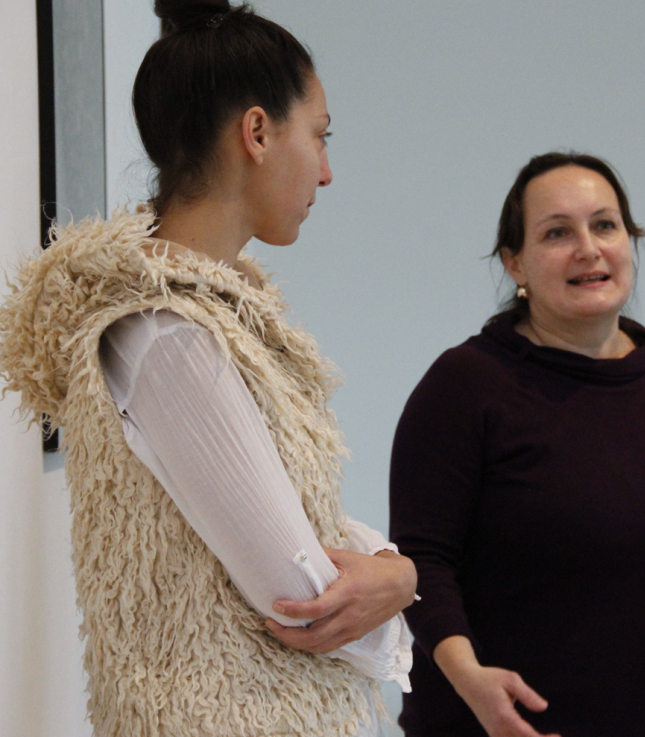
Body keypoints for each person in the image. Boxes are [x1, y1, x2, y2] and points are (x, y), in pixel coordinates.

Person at [0, 2, 417, 735]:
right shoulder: (169, 335)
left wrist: (392, 567)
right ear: (257, 132)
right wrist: (397, 589)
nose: (326, 172)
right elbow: (299, 594)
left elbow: (304, 519)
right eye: (319, 135)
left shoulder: (203, 318)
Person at [389, 151, 645, 737]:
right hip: (510, 723)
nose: (589, 249)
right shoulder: (466, 384)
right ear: (514, 262)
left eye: (605, 225)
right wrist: (469, 677)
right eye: (557, 233)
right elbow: (422, 559)